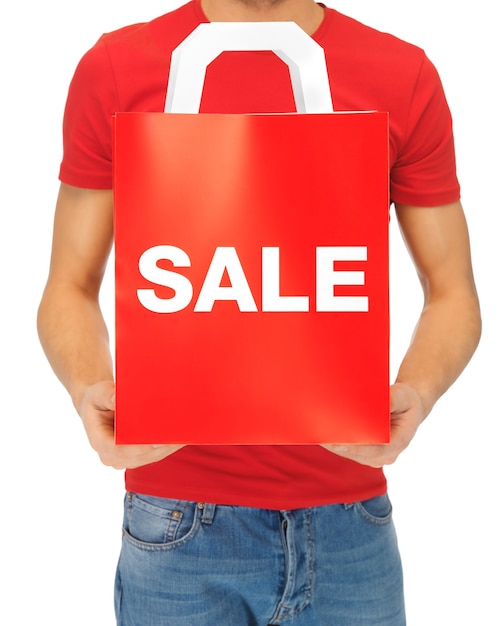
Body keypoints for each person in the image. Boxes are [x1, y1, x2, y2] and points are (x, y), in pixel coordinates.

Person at [37, 1, 481, 624]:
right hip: (174, 520)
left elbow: (453, 290)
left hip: (350, 519)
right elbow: (69, 285)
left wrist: (418, 391)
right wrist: (89, 388)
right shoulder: (118, 67)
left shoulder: (399, 74)